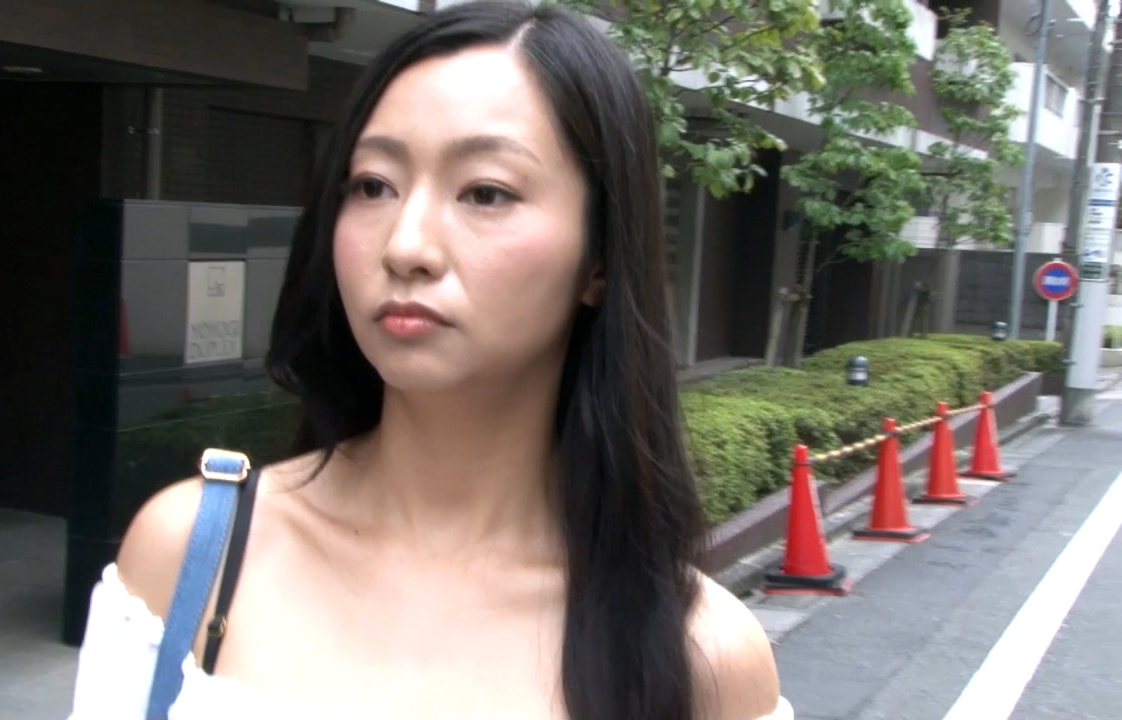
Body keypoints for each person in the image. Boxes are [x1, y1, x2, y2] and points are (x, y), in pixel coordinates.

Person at [67, 1, 790, 718]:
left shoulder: (701, 660)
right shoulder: (192, 552)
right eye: (372, 185)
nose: (406, 245)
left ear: (599, 258)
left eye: (486, 192)